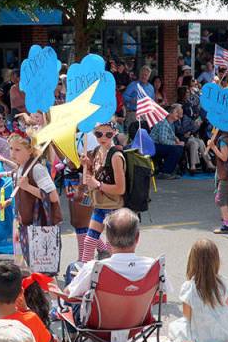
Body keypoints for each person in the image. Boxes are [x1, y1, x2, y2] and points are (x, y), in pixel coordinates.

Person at [63, 208, 157, 318]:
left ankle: (73, 333)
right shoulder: (153, 266)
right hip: (137, 322)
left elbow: (68, 294)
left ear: (108, 237)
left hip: (99, 326)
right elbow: (161, 296)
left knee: (73, 267)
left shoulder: (94, 268)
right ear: (137, 238)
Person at [6, 133, 61, 272]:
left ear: (30, 150)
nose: (13, 153)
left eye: (17, 150)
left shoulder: (37, 169)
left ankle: (52, 294)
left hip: (39, 226)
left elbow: (53, 197)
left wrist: (28, 187)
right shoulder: (20, 168)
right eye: (11, 148)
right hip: (24, 225)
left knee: (44, 271)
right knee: (28, 268)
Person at [168, 239, 228, 342]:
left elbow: (187, 316)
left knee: (173, 327)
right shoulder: (223, 283)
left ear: (192, 261)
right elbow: (226, 307)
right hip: (224, 334)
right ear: (216, 260)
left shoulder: (189, 287)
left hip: (200, 336)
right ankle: (211, 340)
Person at [79, 120, 127, 263]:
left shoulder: (116, 157)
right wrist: (87, 165)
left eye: (108, 134)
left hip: (113, 207)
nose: (103, 138)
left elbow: (120, 188)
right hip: (99, 205)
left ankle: (111, 276)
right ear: (94, 134)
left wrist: (98, 184)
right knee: (89, 242)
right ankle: (84, 274)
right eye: (99, 134)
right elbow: (96, 177)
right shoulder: (97, 152)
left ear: (115, 133)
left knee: (112, 247)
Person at [207, 130, 228, 233]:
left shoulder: (223, 140)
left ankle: (226, 224)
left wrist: (213, 147)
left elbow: (224, 157)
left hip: (225, 173)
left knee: (222, 199)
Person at [150, 104, 185, 178]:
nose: (178, 114)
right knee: (176, 149)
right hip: (153, 146)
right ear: (169, 113)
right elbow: (163, 140)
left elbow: (169, 137)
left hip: (158, 145)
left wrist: (176, 140)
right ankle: (165, 172)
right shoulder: (164, 123)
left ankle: (168, 170)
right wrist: (176, 144)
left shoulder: (171, 124)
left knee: (178, 148)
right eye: (176, 112)